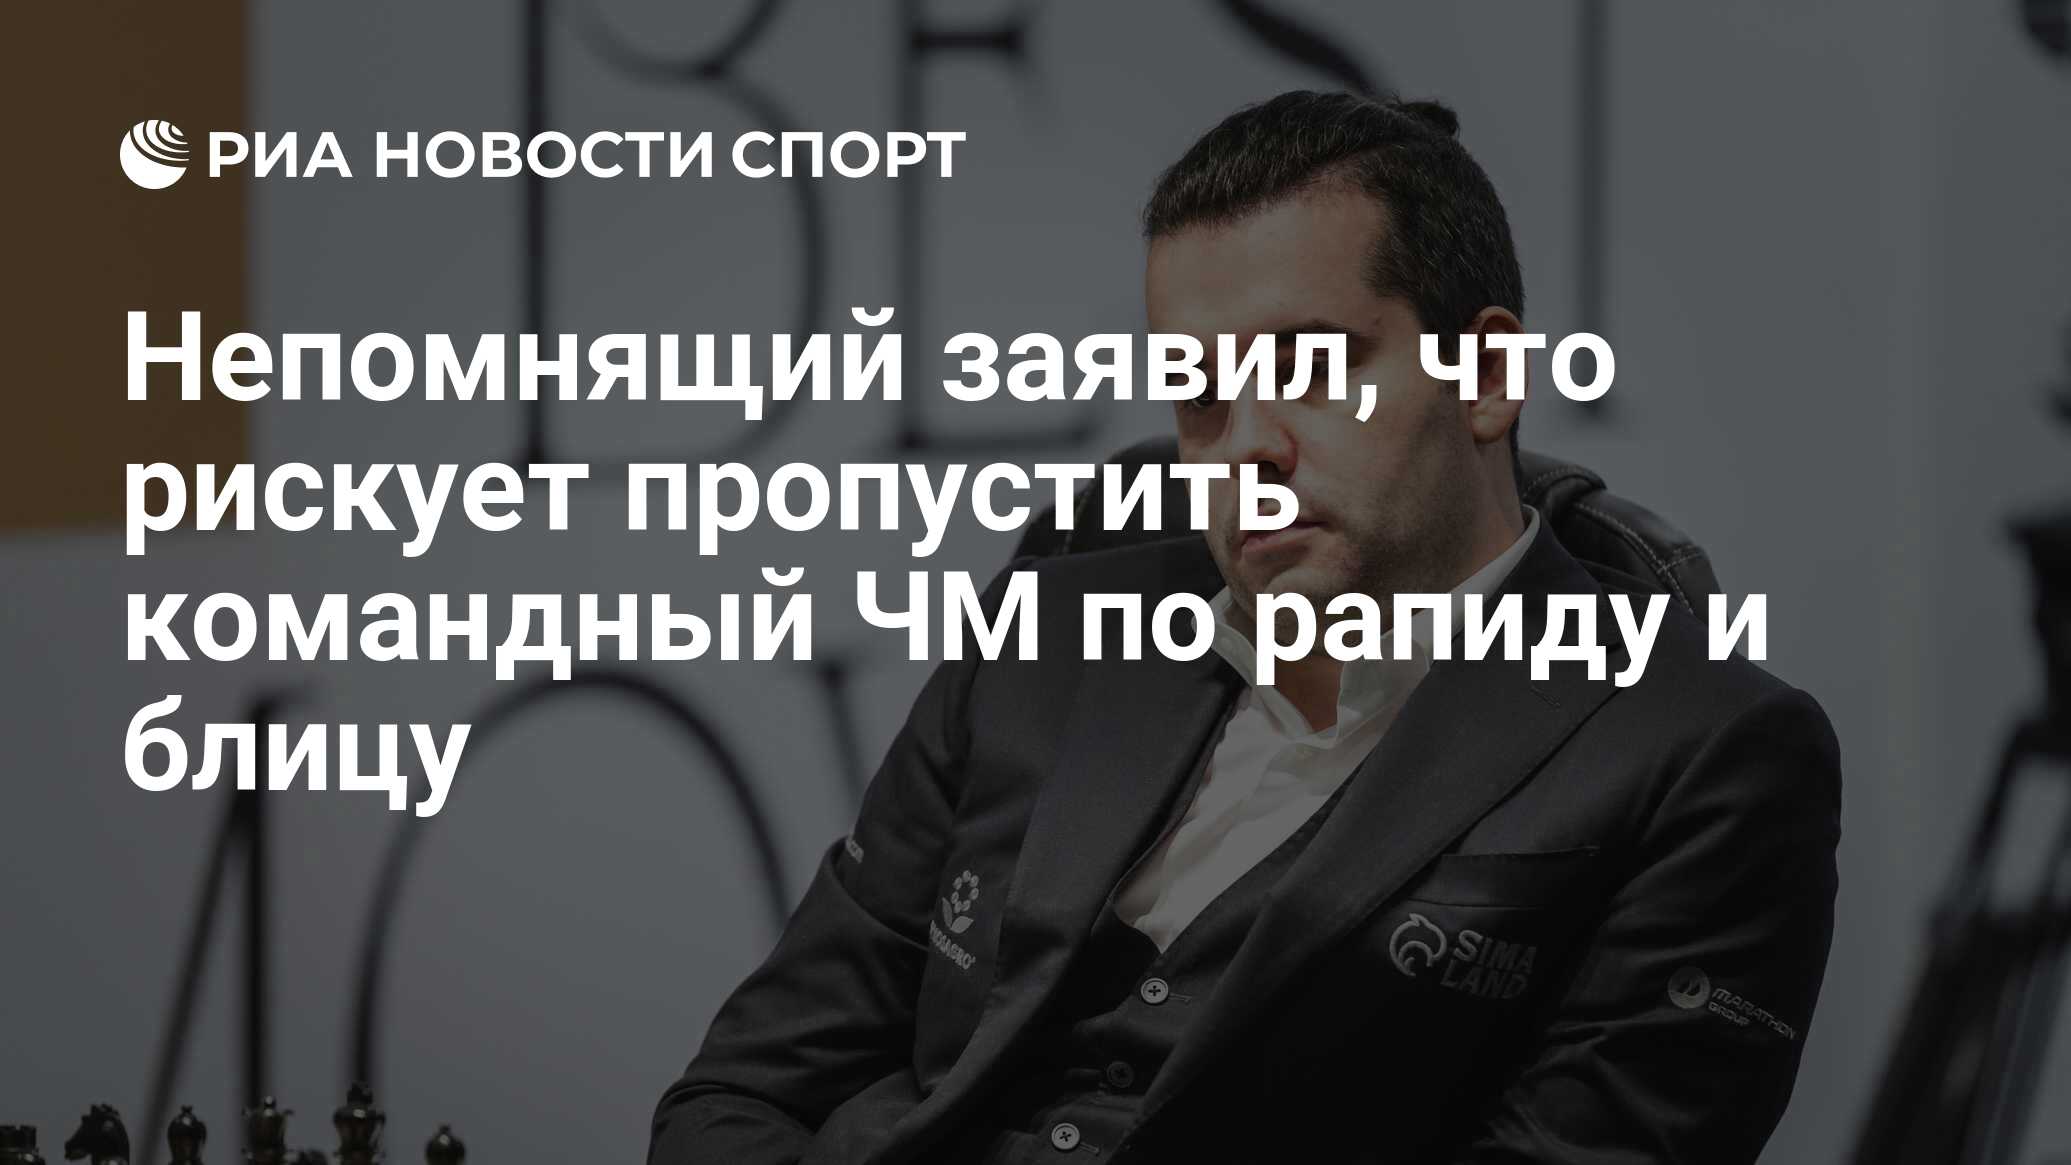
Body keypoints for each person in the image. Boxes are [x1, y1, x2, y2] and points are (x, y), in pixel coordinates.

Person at [648, 89, 1841, 1164]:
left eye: (1309, 368)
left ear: (1484, 376)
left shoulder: (1706, 754)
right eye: (1199, 397)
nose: (1246, 450)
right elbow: (741, 1093)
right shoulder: (1048, 633)